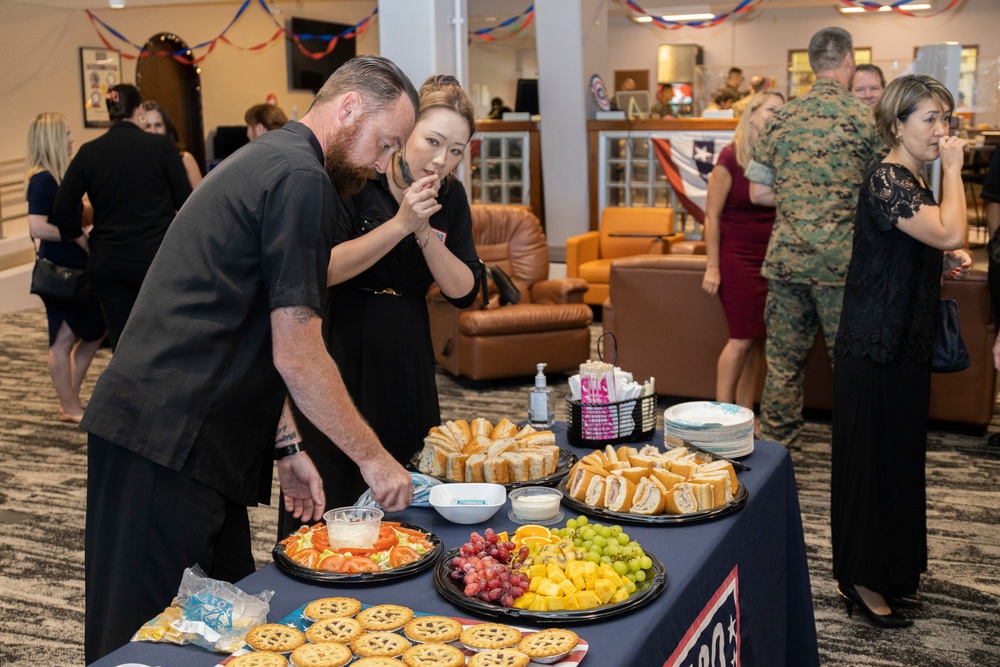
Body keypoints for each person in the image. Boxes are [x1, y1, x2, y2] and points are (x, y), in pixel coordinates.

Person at [78, 56, 419, 663]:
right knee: (144, 642)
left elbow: (253, 325)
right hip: (163, 437)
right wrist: (374, 459)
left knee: (227, 623)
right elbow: (297, 350)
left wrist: (287, 448)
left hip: (202, 440)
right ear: (348, 109)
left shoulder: (281, 163)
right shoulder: (300, 177)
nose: (378, 165)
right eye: (384, 142)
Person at [279, 75, 482, 535]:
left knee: (408, 483)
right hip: (341, 343)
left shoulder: (450, 196)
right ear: (405, 132)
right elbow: (323, 268)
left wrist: (426, 233)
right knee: (339, 479)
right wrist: (401, 222)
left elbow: (464, 289)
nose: (440, 159)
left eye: (456, 150)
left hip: (407, 347)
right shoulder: (354, 179)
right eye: (432, 141)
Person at [832, 74, 970, 628]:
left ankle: (893, 570)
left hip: (904, 344)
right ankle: (862, 579)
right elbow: (950, 228)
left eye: (945, 118)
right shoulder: (888, 178)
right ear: (896, 125)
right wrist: (956, 171)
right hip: (874, 347)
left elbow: (927, 242)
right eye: (929, 119)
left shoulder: (910, 176)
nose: (941, 131)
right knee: (872, 465)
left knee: (899, 464)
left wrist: (940, 257)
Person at [746, 26, 882, 449]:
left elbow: (758, 191)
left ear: (810, 64)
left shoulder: (782, 117)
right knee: (852, 364)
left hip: (787, 262)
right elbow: (885, 191)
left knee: (784, 364)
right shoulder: (866, 117)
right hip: (843, 267)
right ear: (849, 62)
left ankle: (777, 454)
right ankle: (858, 451)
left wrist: (800, 200)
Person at [51, 84, 192, 350]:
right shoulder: (160, 146)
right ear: (139, 110)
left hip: (108, 261)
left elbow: (61, 208)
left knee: (122, 342)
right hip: (153, 258)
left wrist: (81, 239)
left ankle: (126, 392)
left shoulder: (89, 152)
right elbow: (186, 201)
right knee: (161, 338)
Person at [701, 91, 785, 422]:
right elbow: (711, 216)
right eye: (771, 110)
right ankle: (723, 415)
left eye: (782, 112)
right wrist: (712, 266)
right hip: (737, 258)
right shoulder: (729, 158)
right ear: (752, 114)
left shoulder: (777, 159)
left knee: (758, 342)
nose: (776, 117)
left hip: (772, 259)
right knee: (740, 339)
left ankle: (746, 415)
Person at [24, 112, 106, 423]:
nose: (72, 140)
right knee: (62, 340)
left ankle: (70, 397)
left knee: (94, 330)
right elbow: (37, 227)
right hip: (61, 272)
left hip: (75, 269)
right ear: (53, 139)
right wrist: (75, 233)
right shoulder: (43, 178)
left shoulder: (57, 176)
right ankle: (68, 404)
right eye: (67, 134)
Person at [142, 100, 203, 188]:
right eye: (148, 126)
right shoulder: (137, 162)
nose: (153, 131)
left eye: (158, 125)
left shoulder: (185, 159)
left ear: (166, 128)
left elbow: (200, 198)